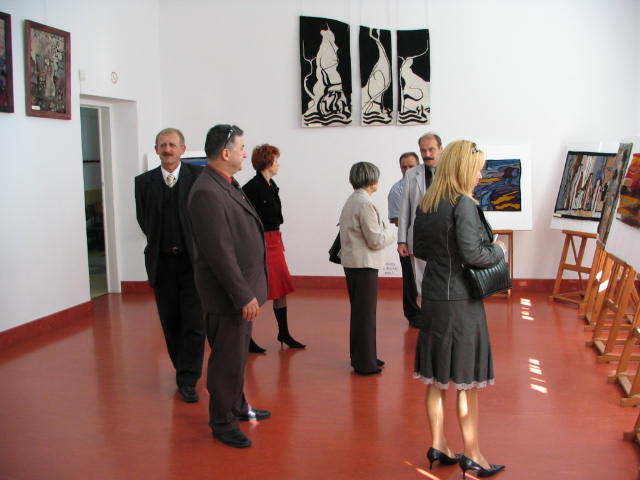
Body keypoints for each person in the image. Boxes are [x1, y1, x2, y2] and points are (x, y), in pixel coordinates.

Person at [412, 140, 506, 478]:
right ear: (463, 169)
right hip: (461, 302)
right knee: (467, 381)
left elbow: (420, 249)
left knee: (437, 378)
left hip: (434, 296)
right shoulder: (463, 203)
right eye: (477, 169)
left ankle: (439, 444)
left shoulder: (428, 202)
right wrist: (498, 250)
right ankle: (473, 454)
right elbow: (473, 254)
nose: (480, 175)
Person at [187, 124, 270, 448]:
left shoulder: (225, 183)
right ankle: (222, 422)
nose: (245, 154)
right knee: (226, 361)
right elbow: (218, 253)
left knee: (236, 358)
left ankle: (237, 406)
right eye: (241, 148)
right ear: (226, 152)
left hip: (239, 290)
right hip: (228, 296)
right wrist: (243, 294)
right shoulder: (207, 192)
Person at [134, 128, 205, 404]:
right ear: (156, 149)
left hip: (192, 263)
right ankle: (182, 368)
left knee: (194, 323)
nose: (167, 149)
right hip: (162, 264)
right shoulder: (143, 183)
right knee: (171, 321)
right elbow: (144, 221)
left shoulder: (199, 177)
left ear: (183, 149)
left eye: (172, 145)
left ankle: (188, 378)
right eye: (162, 145)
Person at [242, 144, 305, 353]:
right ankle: (246, 337)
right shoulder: (251, 188)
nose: (278, 164)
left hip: (275, 240)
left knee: (281, 288)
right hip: (261, 241)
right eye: (276, 160)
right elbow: (245, 219)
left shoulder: (271, 185)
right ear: (268, 162)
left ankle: (283, 332)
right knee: (255, 289)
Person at [339, 162, 395, 375]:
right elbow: (375, 240)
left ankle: (363, 356)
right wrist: (391, 233)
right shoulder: (365, 204)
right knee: (365, 316)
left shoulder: (353, 200)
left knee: (361, 314)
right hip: (364, 265)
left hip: (354, 263)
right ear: (372, 179)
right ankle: (365, 363)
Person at [397, 133, 444, 296]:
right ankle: (426, 310)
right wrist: (402, 240)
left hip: (443, 237)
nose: (427, 154)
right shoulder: (411, 174)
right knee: (421, 284)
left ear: (441, 149)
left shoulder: (450, 172)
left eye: (431, 149)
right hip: (418, 237)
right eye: (423, 150)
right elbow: (404, 209)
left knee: (442, 283)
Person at [387, 152, 420, 327]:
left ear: (418, 166)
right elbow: (397, 220)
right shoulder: (397, 190)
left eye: (411, 166)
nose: (407, 170)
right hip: (407, 242)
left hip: (428, 242)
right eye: (404, 167)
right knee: (410, 281)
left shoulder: (426, 184)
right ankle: (413, 316)